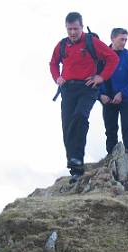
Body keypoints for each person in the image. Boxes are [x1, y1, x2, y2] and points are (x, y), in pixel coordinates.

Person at [49, 12, 119, 183]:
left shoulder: (91, 42)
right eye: (69, 29)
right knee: (67, 126)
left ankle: (78, 163)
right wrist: (57, 77)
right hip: (67, 89)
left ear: (82, 27)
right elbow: (53, 63)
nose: (72, 32)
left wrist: (101, 77)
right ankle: (75, 167)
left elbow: (113, 58)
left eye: (75, 28)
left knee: (80, 117)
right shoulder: (62, 45)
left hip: (88, 88)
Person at [99, 28, 128, 154]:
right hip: (107, 99)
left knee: (127, 127)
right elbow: (94, 78)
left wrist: (122, 93)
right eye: (121, 39)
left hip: (126, 99)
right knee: (110, 129)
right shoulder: (101, 58)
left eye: (125, 40)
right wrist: (100, 95)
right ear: (113, 38)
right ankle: (111, 156)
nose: (124, 42)